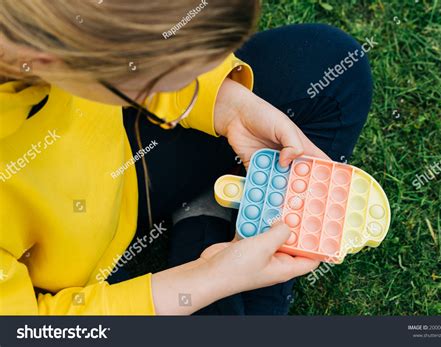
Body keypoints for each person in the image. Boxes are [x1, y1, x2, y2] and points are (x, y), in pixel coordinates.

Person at [0, 0, 372, 315]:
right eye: (171, 77)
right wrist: (207, 279)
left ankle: (218, 230)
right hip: (80, 277)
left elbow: (137, 47)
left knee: (331, 63)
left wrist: (226, 105)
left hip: (124, 148)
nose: (187, 84)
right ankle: (206, 224)